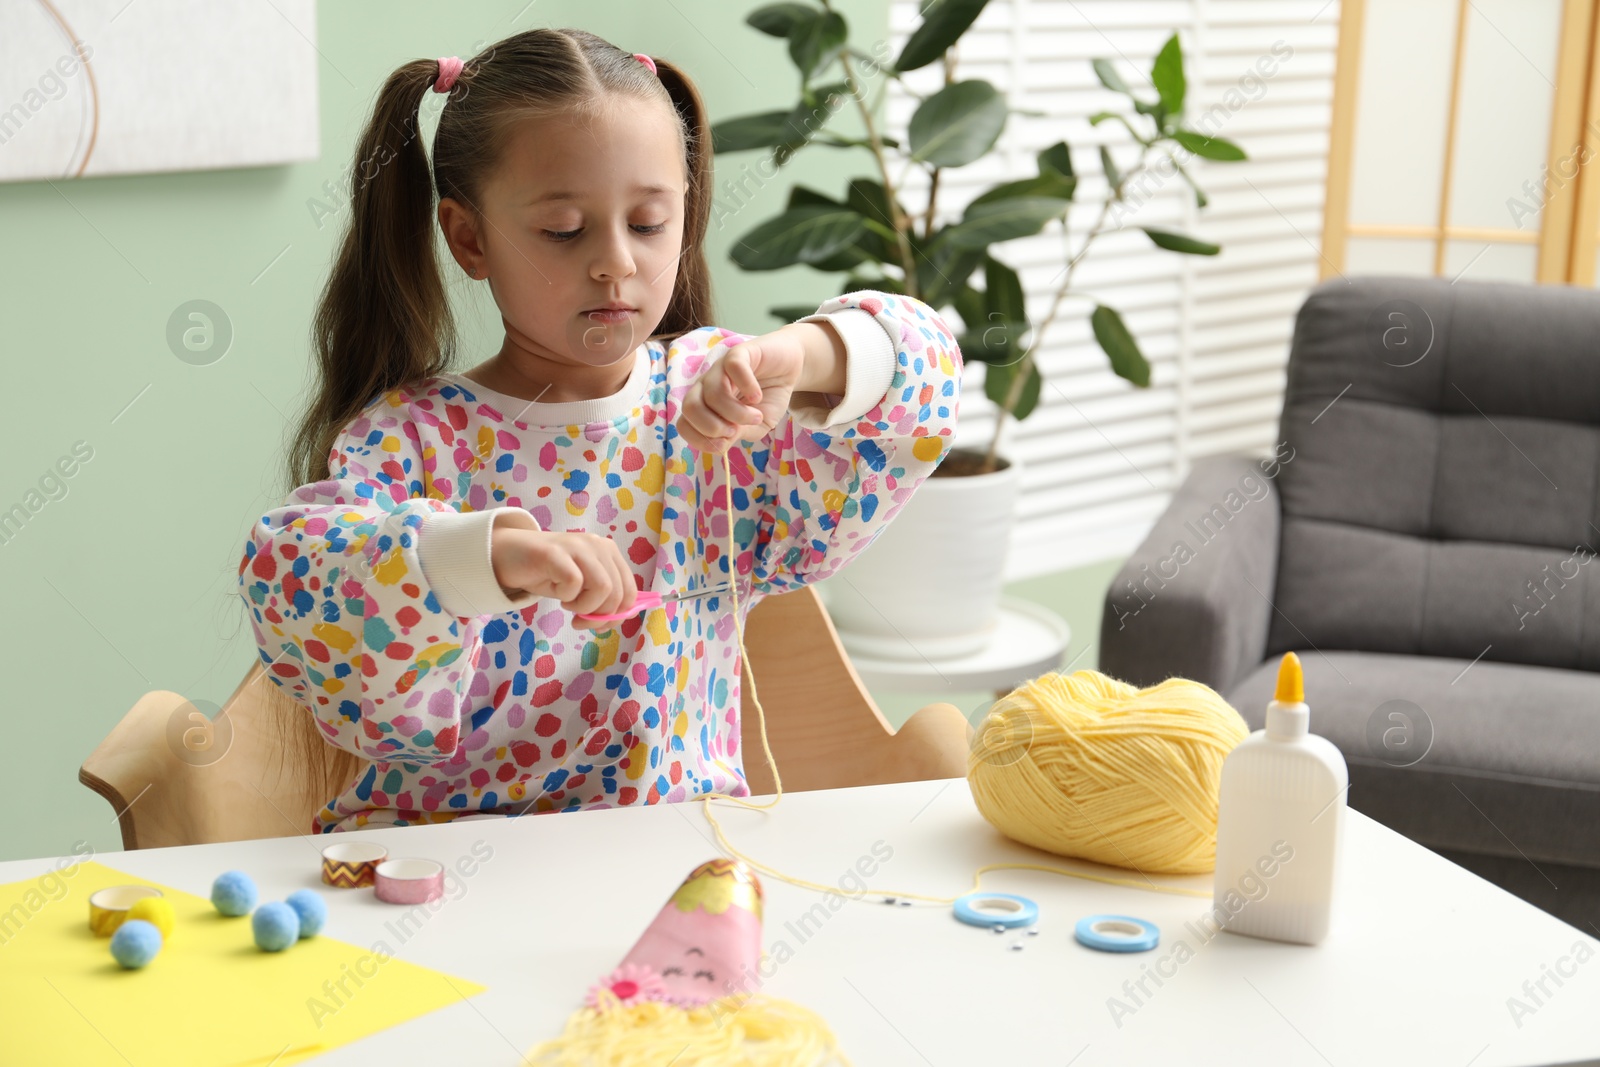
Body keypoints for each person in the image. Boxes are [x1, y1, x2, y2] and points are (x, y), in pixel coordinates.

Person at [238, 27, 962, 833]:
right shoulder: (414, 440)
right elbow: (295, 574)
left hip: (671, 861)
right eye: (564, 231)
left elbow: (925, 371)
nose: (615, 262)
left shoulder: (722, 415)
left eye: (649, 223)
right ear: (470, 237)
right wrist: (491, 556)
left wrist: (806, 353)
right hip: (446, 872)